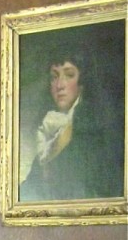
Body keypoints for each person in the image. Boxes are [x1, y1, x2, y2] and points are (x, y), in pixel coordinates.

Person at [19, 43, 124, 203]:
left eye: (69, 75)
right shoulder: (50, 128)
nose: (60, 85)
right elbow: (32, 187)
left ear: (82, 83)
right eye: (54, 77)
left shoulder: (93, 132)